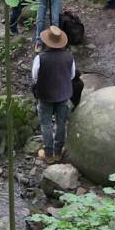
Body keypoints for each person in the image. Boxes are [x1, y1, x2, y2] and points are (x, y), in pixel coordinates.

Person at [31, 26, 75, 164]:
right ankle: (58, 152)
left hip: (45, 95)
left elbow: (35, 77)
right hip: (64, 94)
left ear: (46, 41)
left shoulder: (40, 58)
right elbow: (72, 75)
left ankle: (48, 154)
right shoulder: (69, 57)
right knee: (61, 123)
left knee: (46, 124)